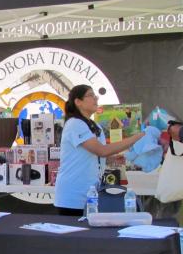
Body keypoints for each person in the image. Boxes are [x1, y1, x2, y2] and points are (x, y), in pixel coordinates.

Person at [54, 85, 145, 216]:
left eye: (95, 95)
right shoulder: (75, 124)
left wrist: (110, 159)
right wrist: (135, 138)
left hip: (91, 194)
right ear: (78, 101)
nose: (95, 98)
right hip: (73, 196)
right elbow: (101, 150)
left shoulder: (94, 125)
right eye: (90, 95)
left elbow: (95, 154)